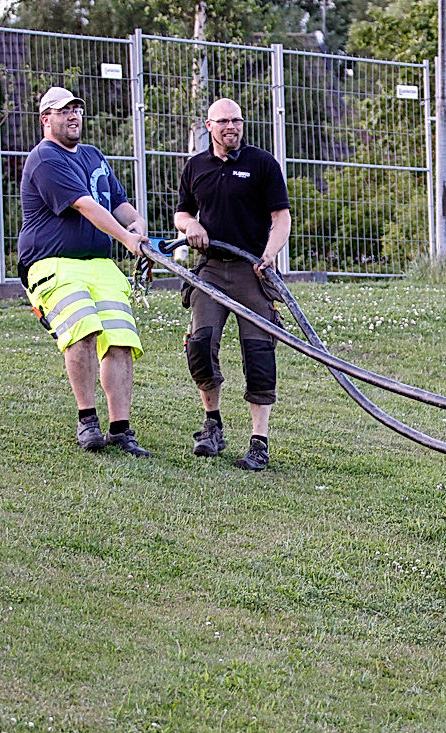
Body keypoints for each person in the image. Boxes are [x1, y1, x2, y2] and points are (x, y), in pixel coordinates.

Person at [18, 86, 151, 457]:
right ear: (46, 119)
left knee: (121, 340)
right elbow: (85, 205)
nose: (73, 115)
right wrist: (127, 238)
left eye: (76, 109)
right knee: (84, 332)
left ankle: (121, 430)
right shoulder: (45, 159)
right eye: (63, 111)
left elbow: (117, 202)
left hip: (100, 265)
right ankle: (87, 421)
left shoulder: (93, 155)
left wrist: (138, 225)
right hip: (54, 264)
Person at [174, 98, 291, 471]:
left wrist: (269, 254)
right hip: (210, 271)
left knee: (259, 352)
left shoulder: (261, 164)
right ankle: (213, 425)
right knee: (201, 343)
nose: (231, 127)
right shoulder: (196, 167)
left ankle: (259, 442)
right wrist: (189, 225)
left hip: (251, 272)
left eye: (237, 120)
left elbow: (281, 217)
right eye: (223, 121)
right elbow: (182, 211)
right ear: (209, 126)